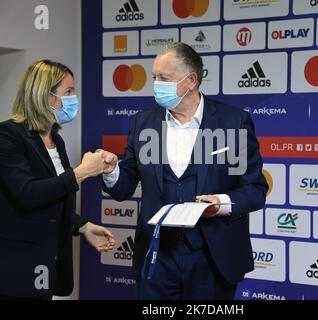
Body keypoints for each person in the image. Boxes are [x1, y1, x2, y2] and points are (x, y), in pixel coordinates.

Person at [99, 42, 268, 299]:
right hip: (156, 258)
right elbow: (124, 187)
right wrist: (112, 170)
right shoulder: (144, 122)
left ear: (190, 80)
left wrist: (221, 203)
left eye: (163, 78)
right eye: (154, 77)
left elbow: (254, 189)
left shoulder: (233, 122)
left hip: (212, 258)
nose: (156, 84)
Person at [0, 60, 115, 300]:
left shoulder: (55, 140)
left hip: (42, 271)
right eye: (68, 92)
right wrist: (81, 172)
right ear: (46, 96)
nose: (74, 99)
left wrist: (82, 226)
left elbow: (51, 201)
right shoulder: (6, 134)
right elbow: (27, 194)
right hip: (7, 273)